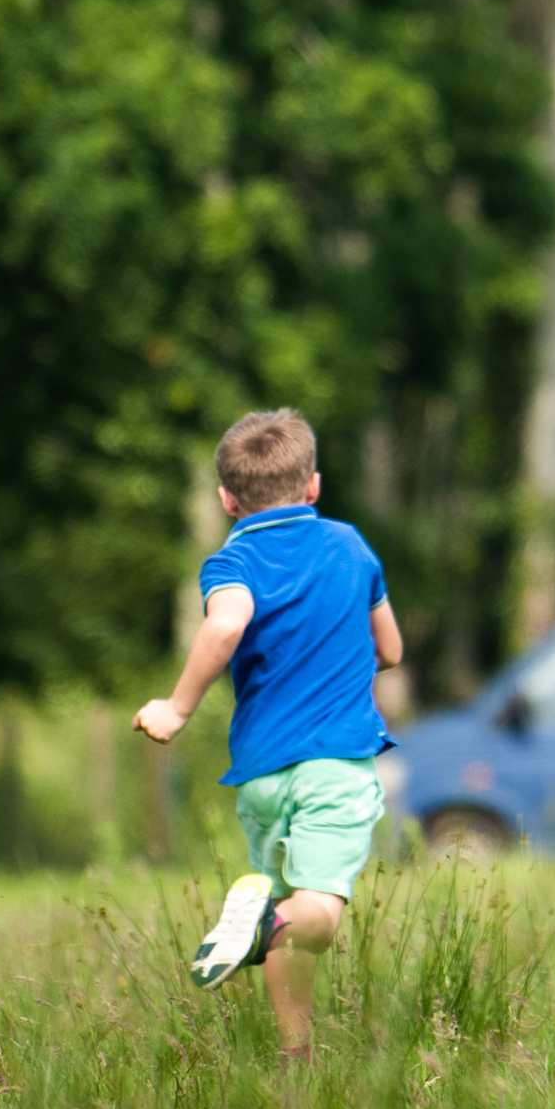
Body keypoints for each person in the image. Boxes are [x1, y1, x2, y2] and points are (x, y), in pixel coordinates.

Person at [135, 409, 399, 1061]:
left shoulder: (231, 559)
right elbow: (389, 648)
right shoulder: (350, 546)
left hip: (260, 772)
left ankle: (294, 1051)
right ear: (313, 485)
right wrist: (176, 705)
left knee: (282, 907)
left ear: (227, 498)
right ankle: (264, 923)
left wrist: (178, 707)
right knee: (314, 916)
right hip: (336, 761)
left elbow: (228, 621)